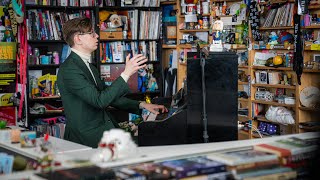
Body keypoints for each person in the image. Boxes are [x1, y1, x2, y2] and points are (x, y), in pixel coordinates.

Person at [57, 17, 167, 148]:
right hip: (87, 137)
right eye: (92, 33)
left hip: (103, 131)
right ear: (78, 39)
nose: (97, 36)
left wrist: (142, 105)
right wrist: (126, 73)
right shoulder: (70, 69)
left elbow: (109, 97)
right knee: (147, 145)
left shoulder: (89, 66)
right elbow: (100, 101)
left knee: (148, 143)